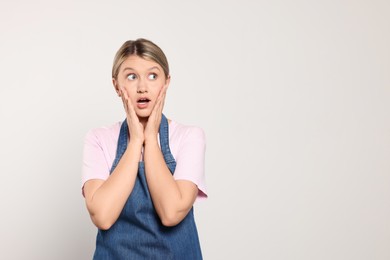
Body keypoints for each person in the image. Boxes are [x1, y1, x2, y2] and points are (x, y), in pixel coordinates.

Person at [81, 38, 207, 259]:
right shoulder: (99, 139)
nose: (142, 87)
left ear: (166, 83)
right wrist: (136, 140)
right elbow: (102, 216)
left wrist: (150, 137)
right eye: (131, 76)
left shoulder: (189, 137)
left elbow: (171, 212)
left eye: (153, 76)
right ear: (116, 86)